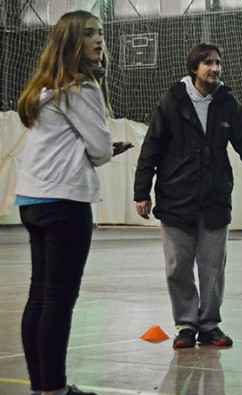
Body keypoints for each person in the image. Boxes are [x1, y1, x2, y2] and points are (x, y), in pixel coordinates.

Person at [15, 10, 132, 395]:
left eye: (100, 33)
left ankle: (41, 387)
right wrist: (103, 150)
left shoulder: (44, 89)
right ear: (70, 42)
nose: (98, 40)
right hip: (64, 202)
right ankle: (54, 390)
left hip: (32, 200)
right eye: (88, 34)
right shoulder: (80, 88)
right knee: (59, 301)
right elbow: (98, 149)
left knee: (40, 296)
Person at [133, 43, 242, 349]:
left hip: (215, 199)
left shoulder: (227, 103)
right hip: (175, 200)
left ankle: (209, 325)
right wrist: (141, 191)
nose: (215, 68)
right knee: (177, 267)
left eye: (218, 62)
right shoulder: (172, 101)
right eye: (208, 63)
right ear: (194, 68)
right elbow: (151, 147)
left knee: (212, 268)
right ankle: (185, 324)